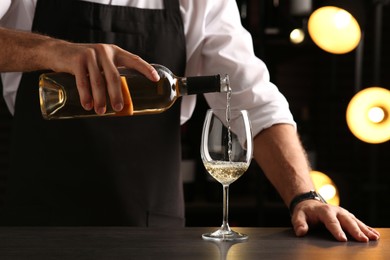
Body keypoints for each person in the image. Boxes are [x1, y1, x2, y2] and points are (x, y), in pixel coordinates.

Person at [0, 0, 379, 242]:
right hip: (37, 224)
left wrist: (304, 195)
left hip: (150, 229)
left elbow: (256, 102)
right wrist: (50, 50)